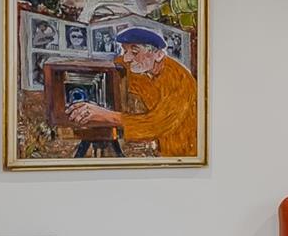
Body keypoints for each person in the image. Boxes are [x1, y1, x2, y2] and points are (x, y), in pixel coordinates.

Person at [67, 26, 198, 158]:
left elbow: (155, 125)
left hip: (183, 152)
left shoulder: (180, 80)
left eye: (135, 52)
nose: (126, 59)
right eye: (125, 51)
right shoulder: (137, 66)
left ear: (158, 55)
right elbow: (109, 69)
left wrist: (105, 116)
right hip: (159, 148)